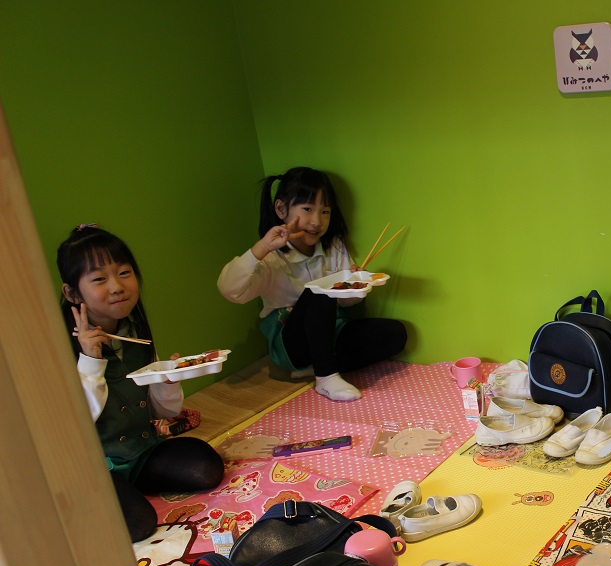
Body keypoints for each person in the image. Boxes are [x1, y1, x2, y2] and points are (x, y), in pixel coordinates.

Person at [57, 225, 224, 542]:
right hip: (97, 467)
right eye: (99, 279)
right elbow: (75, 424)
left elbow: (162, 411)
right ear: (72, 294)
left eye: (124, 273)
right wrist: (90, 359)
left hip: (141, 453)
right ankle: (115, 494)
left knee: (206, 467)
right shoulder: (60, 346)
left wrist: (168, 380)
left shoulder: (133, 334)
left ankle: (127, 489)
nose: (117, 287)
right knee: (139, 525)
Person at [217, 166, 407, 401]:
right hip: (292, 346)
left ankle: (317, 367)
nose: (317, 221)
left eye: (325, 211)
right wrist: (262, 247)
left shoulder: (333, 246)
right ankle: (325, 376)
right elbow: (230, 291)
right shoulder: (270, 259)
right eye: (307, 209)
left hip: (332, 335)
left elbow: (346, 304)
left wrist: (354, 283)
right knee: (320, 290)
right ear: (281, 209)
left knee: (395, 333)